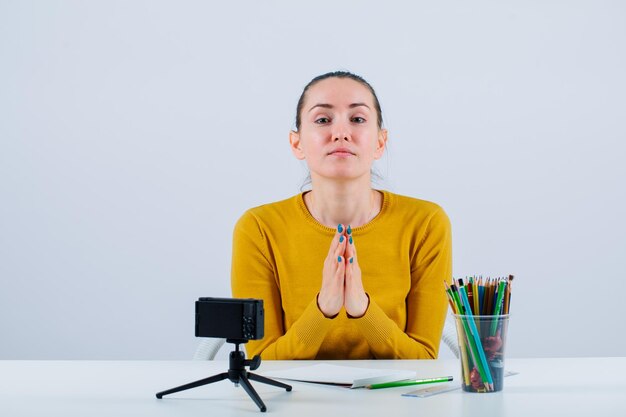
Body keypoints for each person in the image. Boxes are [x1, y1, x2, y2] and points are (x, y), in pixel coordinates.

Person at [231, 71, 452, 360]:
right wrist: (324, 308)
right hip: (294, 402)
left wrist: (362, 309)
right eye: (323, 120)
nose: (341, 133)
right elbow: (263, 364)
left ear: (380, 143)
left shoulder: (425, 223)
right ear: (296, 143)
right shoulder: (259, 228)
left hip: (393, 403)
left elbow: (423, 361)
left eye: (358, 119)